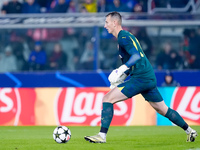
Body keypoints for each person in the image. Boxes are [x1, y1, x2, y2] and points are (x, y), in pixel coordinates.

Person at [84, 11, 197, 143]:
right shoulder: (126, 36)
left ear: (115, 23)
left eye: (107, 22)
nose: (105, 26)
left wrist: (121, 68)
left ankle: (102, 136)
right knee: (162, 109)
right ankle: (190, 131)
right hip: (148, 76)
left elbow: (136, 56)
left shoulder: (123, 38)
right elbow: (134, 60)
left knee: (107, 99)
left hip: (140, 78)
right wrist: (121, 76)